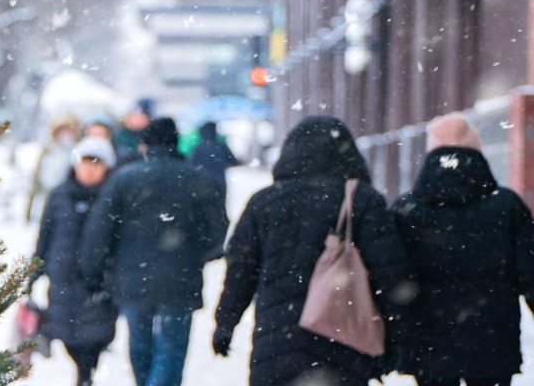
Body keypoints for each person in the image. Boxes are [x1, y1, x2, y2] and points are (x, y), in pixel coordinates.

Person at [213, 116, 412, 386]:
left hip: (277, 342)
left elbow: (241, 270)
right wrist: (398, 336)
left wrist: (225, 323)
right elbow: (389, 273)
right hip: (343, 340)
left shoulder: (264, 203)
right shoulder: (362, 199)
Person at [79, 118, 228, 386]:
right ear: (175, 143)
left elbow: (99, 230)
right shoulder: (197, 179)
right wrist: (197, 255)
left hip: (132, 277)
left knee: (140, 343)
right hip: (180, 277)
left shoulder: (123, 180)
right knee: (172, 346)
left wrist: (93, 272)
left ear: (144, 145)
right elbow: (217, 230)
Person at [390, 113, 534, 386]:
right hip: (493, 341)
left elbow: (391, 274)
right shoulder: (506, 205)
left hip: (430, 342)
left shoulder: (407, 209)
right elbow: (530, 270)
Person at [32, 138, 119, 386]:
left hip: (98, 282)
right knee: (68, 336)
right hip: (62, 279)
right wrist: (34, 270)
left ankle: (85, 377)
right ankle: (84, 376)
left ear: (107, 167)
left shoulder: (113, 196)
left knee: (95, 338)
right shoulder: (59, 195)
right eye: (85, 162)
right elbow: (45, 235)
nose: (89, 169)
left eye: (96, 163)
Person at [26, 116, 81, 223]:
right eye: (63, 131)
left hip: (66, 198)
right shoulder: (48, 150)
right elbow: (36, 177)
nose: (65, 135)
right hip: (44, 195)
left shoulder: (77, 152)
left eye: (69, 131)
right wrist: (29, 208)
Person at [189, 121, 239, 187]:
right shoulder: (222, 147)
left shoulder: (197, 148)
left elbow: (191, 165)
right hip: (219, 182)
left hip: (202, 182)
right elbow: (233, 162)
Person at [113, 99, 153, 167]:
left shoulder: (151, 137)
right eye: (133, 114)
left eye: (140, 115)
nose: (133, 118)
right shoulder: (117, 133)